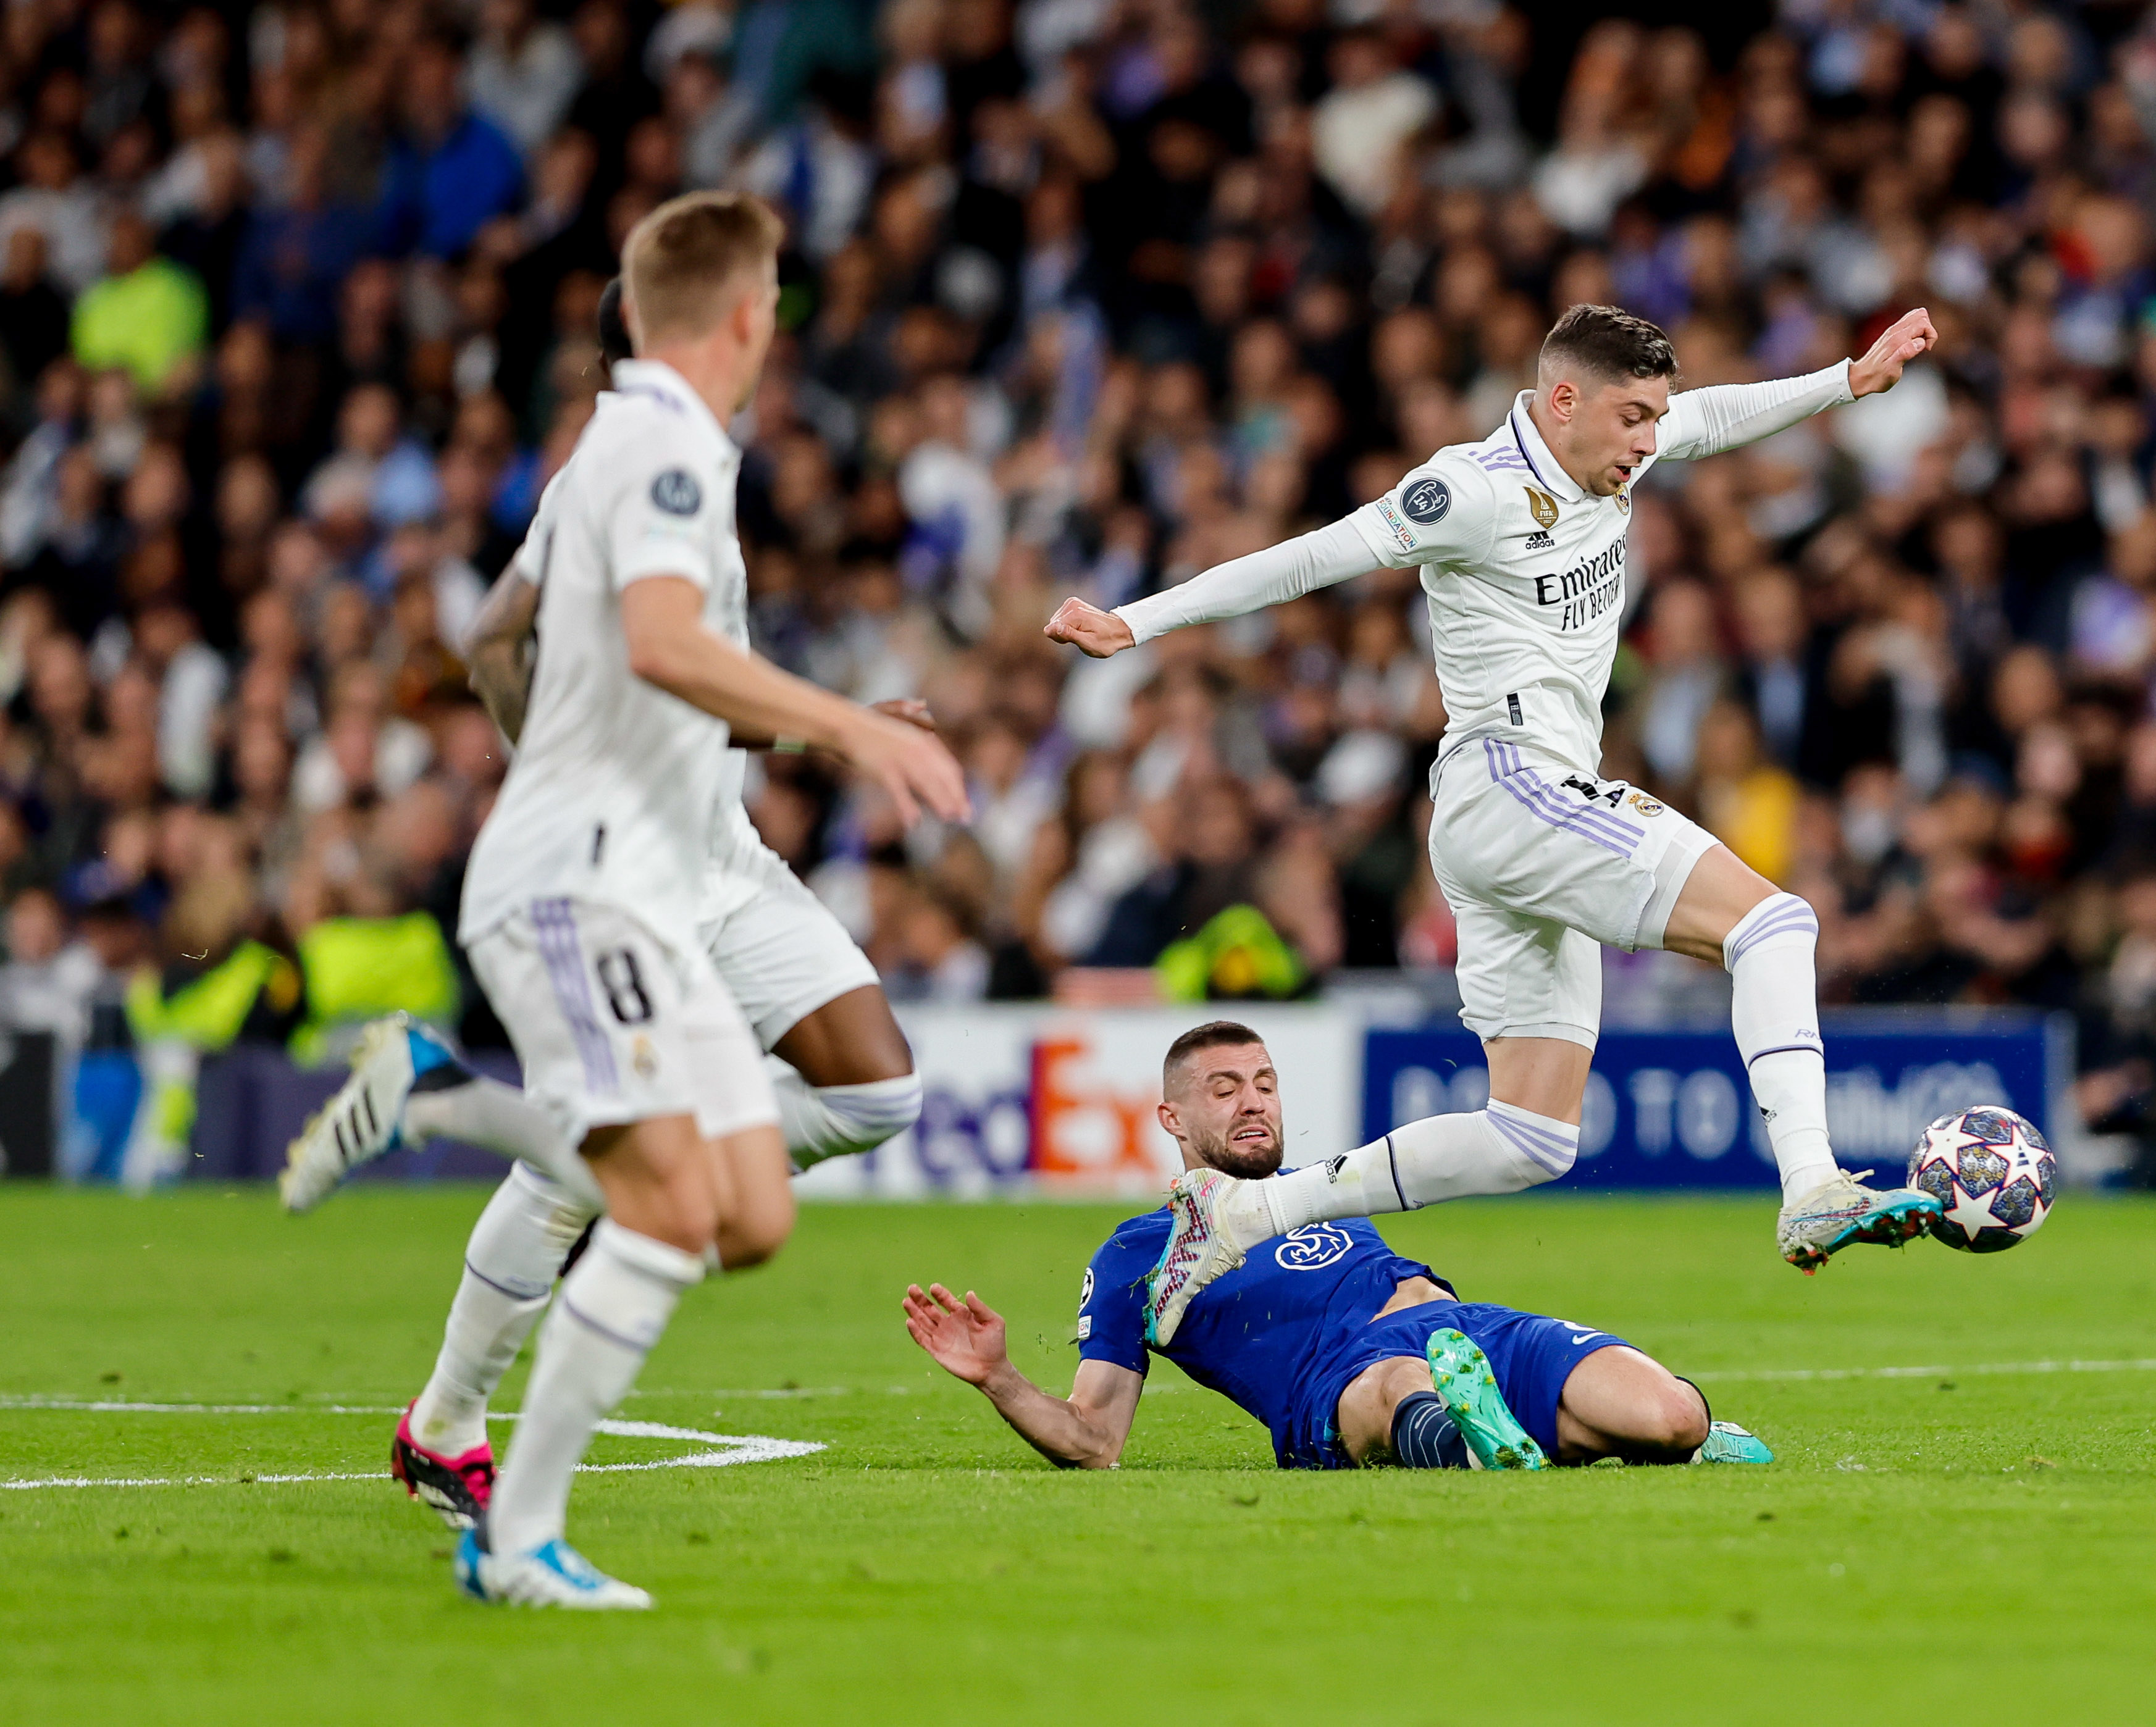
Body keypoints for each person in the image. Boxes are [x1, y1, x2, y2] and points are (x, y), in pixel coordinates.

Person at [299, 190, 965, 1610]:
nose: (777, 319)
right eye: (774, 296)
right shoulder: (659, 446)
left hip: (690, 860)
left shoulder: (637, 449)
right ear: (742, 317)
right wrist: (846, 726)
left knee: (784, 1177)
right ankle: (515, 1533)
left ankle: (477, 1109)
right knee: (665, 1206)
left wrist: (641, 732)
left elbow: (501, 636)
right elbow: (655, 645)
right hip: (591, 876)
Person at [1046, 301, 1947, 1344]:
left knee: (1529, 1135)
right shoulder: (1465, 491)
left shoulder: (1616, 452)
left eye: (1655, 418)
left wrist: (1849, 377)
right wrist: (1136, 620)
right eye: (1634, 418)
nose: (1652, 441)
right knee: (1775, 923)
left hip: (1511, 812)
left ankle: (1250, 1207)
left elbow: (1715, 418)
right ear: (1563, 401)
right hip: (1510, 782)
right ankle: (1812, 1182)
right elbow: (1307, 559)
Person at [903, 1022, 1772, 1472]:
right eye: (1223, 1089)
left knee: (1667, 1416)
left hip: (1467, 1325)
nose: (1253, 1103)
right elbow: (1095, 1438)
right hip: (1333, 1386)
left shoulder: (1321, 1186)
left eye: (1265, 1084)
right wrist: (1002, 1379)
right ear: (1171, 1117)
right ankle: (1470, 1438)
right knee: (1397, 1386)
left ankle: (1643, 1437)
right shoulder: (1139, 1252)